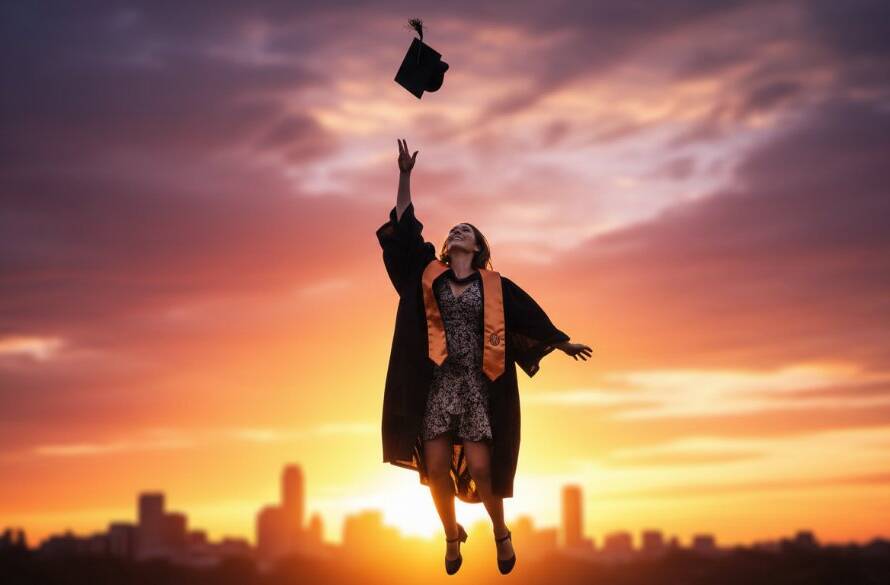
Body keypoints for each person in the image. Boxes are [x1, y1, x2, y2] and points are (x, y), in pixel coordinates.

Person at [377, 138, 593, 575]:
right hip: (436, 383)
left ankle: (500, 531)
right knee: (435, 469)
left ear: (478, 247)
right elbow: (404, 231)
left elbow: (527, 319)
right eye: (453, 229)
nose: (457, 232)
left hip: (477, 386)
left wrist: (559, 341)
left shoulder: (494, 286)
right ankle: (452, 536)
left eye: (466, 231)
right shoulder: (428, 275)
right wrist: (404, 175)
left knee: (481, 467)